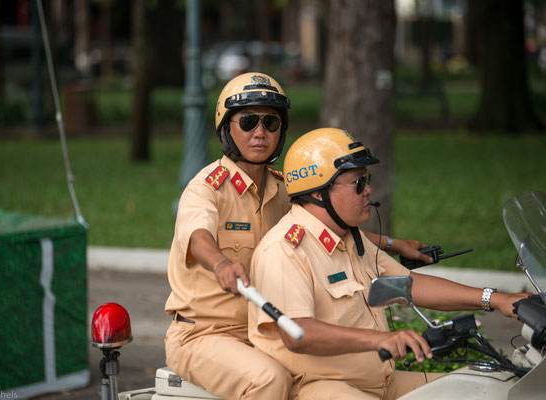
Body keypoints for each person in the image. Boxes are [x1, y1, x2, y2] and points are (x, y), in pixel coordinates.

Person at [164, 74, 432, 400]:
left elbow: (320, 230)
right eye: (248, 121)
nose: (260, 132)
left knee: (331, 375)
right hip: (206, 333)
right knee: (268, 380)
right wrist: (221, 263)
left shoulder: (282, 190)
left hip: (267, 331)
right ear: (227, 128)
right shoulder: (207, 188)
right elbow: (197, 235)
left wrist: (392, 243)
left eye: (271, 123)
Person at [247, 127, 531, 400]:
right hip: (322, 388)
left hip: (381, 383)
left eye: (367, 180)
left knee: (483, 389)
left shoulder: (347, 237)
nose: (369, 190)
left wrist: (495, 299)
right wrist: (377, 340)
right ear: (319, 192)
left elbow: (409, 285)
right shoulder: (285, 250)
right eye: (359, 183)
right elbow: (297, 332)